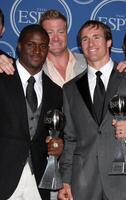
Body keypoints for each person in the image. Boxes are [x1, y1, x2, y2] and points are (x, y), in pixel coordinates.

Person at [58, 20, 126, 200]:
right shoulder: (70, 89)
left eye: (96, 37)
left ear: (109, 42)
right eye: (85, 39)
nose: (90, 44)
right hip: (84, 182)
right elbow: (70, 139)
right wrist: (66, 181)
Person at [0, 24, 63, 200]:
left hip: (38, 182)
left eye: (43, 46)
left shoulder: (56, 91)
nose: (37, 50)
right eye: (30, 44)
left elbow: (59, 133)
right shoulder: (2, 76)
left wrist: (58, 145)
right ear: (19, 46)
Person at [0, 9, 126, 82]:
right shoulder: (30, 67)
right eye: (49, 32)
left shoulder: (89, 61)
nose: (56, 38)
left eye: (61, 31)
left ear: (67, 33)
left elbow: (111, 71)